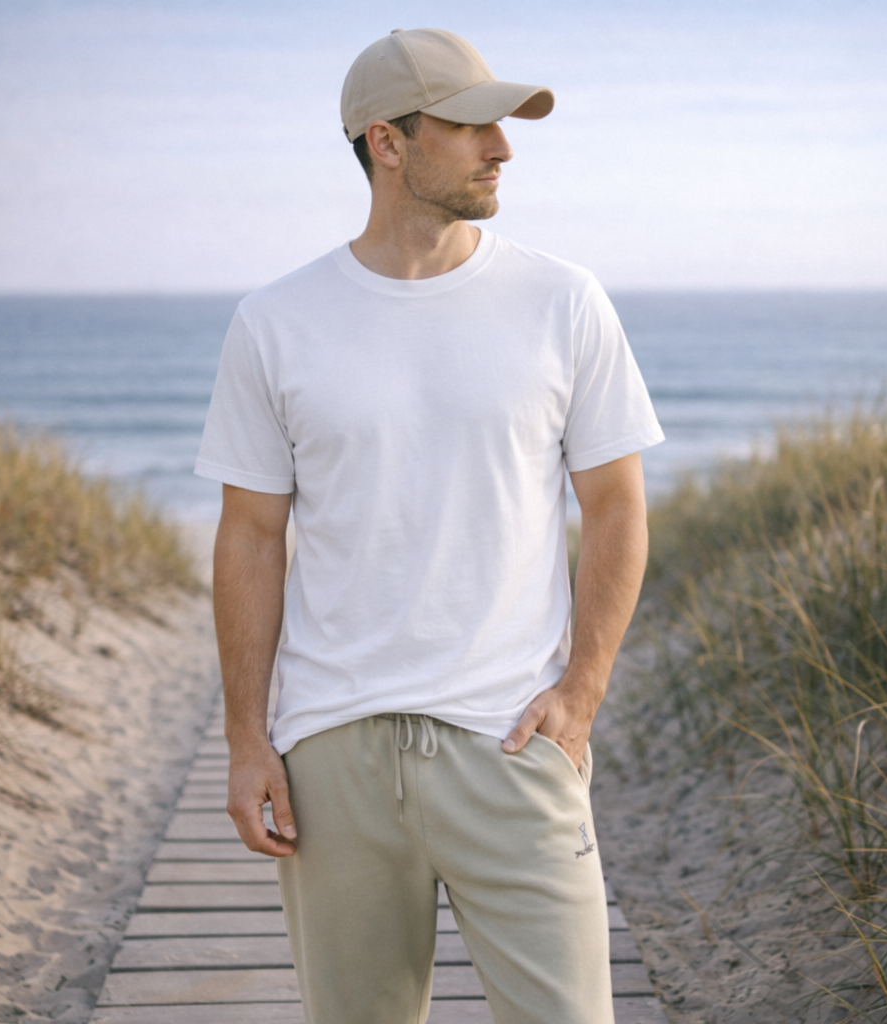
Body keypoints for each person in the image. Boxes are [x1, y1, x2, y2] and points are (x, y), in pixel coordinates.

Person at [196, 27, 664, 1024]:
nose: (502, 150)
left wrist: (579, 696)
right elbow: (248, 537)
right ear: (387, 142)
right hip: (333, 752)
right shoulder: (275, 323)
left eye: (502, 126)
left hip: (510, 742)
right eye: (472, 126)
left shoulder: (562, 302)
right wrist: (247, 739)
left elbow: (617, 505)